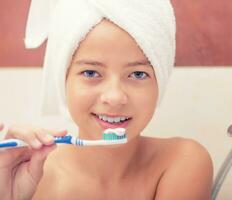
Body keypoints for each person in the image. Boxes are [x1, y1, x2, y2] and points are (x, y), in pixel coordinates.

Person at [0, 0, 213, 199]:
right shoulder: (33, 179)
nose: (114, 97)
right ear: (63, 79)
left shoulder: (183, 162)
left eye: (138, 74)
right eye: (91, 73)